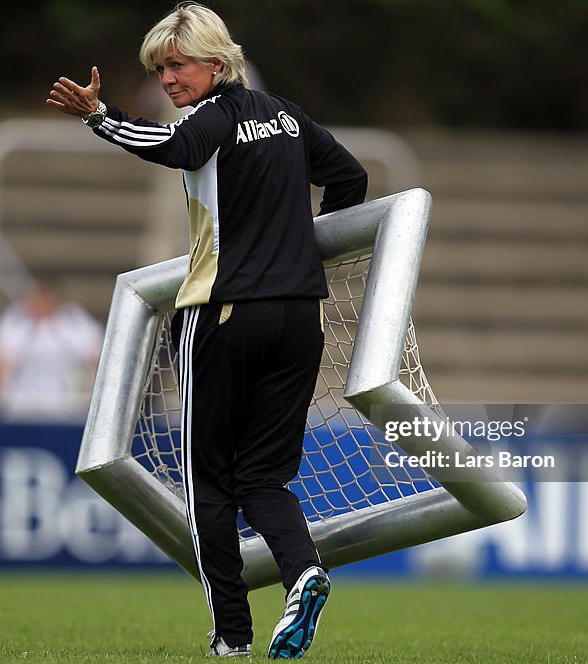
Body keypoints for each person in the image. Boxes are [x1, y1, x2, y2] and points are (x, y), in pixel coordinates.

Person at [47, 3, 367, 658]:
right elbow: (350, 177)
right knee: (264, 479)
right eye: (160, 69)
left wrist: (99, 118)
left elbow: (173, 146)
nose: (167, 80)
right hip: (300, 321)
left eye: (177, 65)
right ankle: (302, 570)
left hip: (225, 316)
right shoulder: (287, 115)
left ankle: (231, 640)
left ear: (219, 63)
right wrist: (305, 249)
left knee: (209, 487)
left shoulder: (212, 117)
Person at [0, 281, 104, 422]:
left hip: (63, 409)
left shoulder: (73, 322)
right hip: (16, 409)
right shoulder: (13, 322)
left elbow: (99, 360)